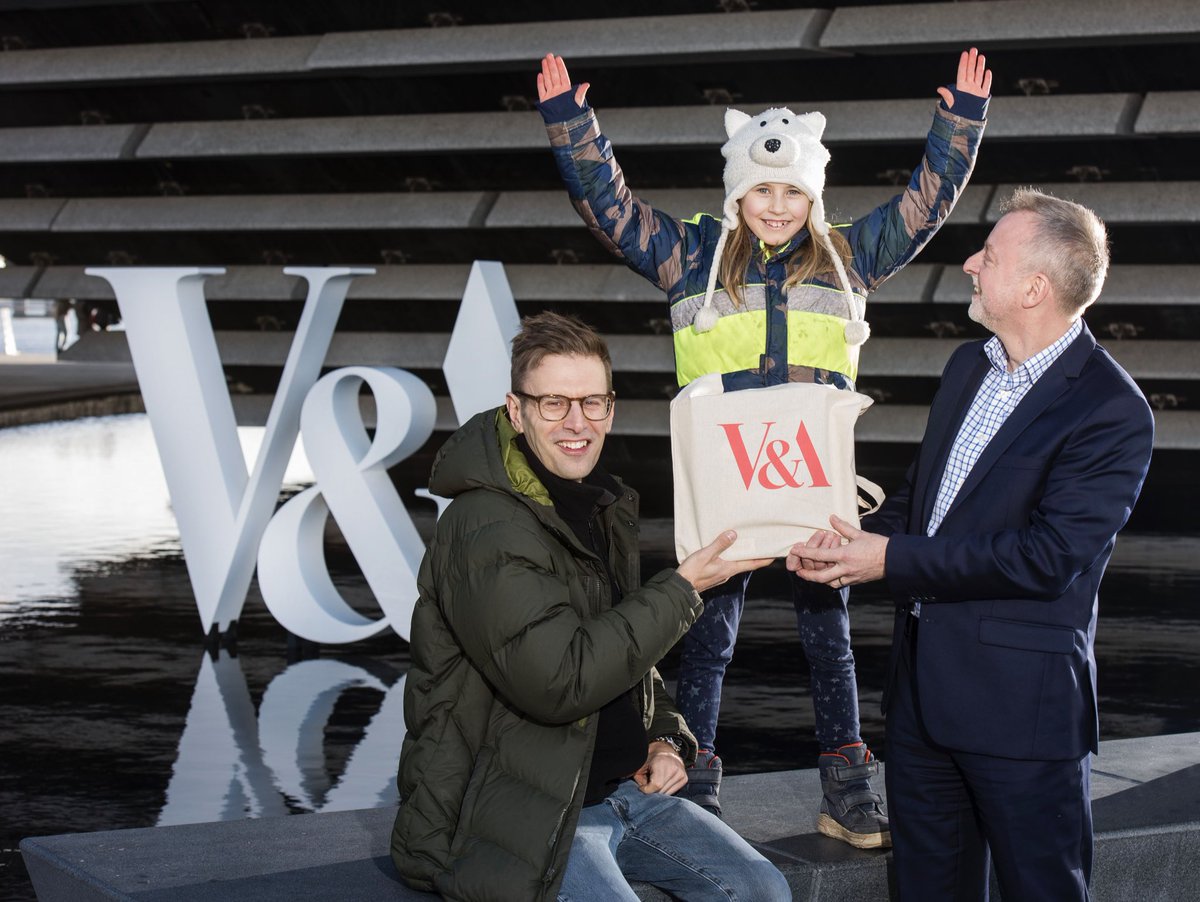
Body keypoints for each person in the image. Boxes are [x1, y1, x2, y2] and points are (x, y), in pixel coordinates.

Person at [535, 48, 991, 845]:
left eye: (790, 192)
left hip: (811, 481)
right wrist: (575, 129)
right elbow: (610, 206)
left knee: (830, 640)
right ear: (736, 193)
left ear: (811, 195)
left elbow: (926, 205)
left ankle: (846, 791)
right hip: (723, 484)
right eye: (760, 191)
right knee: (707, 641)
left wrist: (958, 126)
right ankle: (697, 789)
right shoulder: (690, 258)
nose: (775, 206)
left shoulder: (850, 256)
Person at [787, 188, 1155, 900]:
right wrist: (847, 547)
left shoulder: (1112, 410)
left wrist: (888, 561)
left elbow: (1046, 559)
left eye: (988, 255)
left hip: (1023, 716)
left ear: (1032, 288)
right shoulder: (968, 367)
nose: (969, 264)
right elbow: (923, 504)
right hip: (924, 704)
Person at [390, 312, 788, 901]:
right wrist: (683, 587)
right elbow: (558, 681)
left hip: (627, 791)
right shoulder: (484, 525)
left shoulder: (600, 504)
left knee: (763, 891)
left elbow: (627, 653)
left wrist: (663, 739)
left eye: (592, 402)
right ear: (515, 410)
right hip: (522, 808)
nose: (577, 423)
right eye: (554, 403)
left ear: (611, 408)